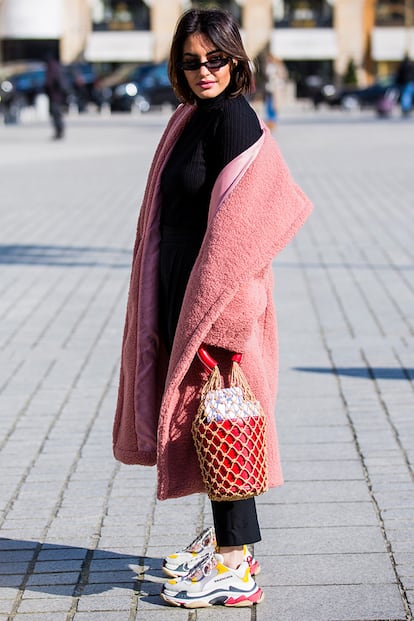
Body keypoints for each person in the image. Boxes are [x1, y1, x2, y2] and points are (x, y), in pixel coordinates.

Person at [112, 8, 313, 608]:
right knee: (208, 423)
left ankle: (236, 565)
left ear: (236, 59)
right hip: (181, 286)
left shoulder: (234, 119)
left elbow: (248, 231)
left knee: (225, 418)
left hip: (217, 298)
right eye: (191, 61)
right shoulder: (188, 117)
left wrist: (224, 321)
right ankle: (231, 545)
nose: (204, 71)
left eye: (215, 59)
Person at [45, 57, 68, 139]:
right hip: (56, 96)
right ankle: (59, 131)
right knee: (56, 114)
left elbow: (53, 82)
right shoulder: (56, 69)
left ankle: (59, 132)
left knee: (56, 114)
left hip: (56, 96)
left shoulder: (53, 70)